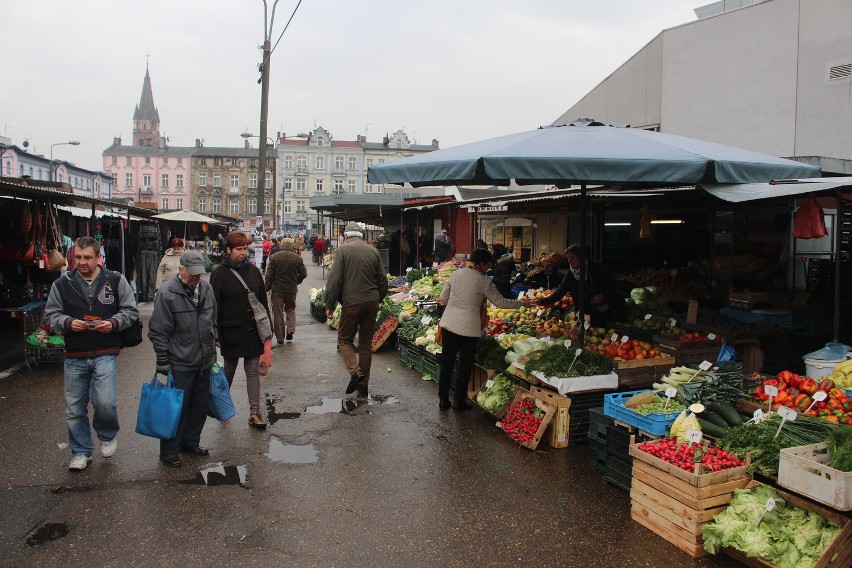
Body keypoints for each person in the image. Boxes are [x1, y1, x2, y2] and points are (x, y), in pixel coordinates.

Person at [43, 236, 140, 471]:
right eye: (78, 257)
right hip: (75, 353)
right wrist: (67, 323)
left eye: (87, 257)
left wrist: (114, 323)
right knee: (75, 407)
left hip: (106, 350)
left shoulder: (115, 280)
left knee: (105, 401)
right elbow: (50, 315)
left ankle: (107, 434)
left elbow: (131, 310)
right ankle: (81, 451)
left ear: (98, 257)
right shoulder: (63, 282)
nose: (82, 262)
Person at [437, 249, 534, 411]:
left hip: (449, 324)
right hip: (469, 329)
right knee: (465, 365)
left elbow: (443, 298)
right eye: (488, 265)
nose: (489, 268)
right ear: (482, 263)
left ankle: (442, 400)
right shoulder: (484, 281)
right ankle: (458, 401)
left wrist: (457, 307)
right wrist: (522, 304)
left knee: (447, 362)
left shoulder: (456, 274)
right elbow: (501, 302)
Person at [148, 251, 217, 468]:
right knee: (176, 408)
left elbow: (212, 320)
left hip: (204, 360)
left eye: (200, 273)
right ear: (181, 269)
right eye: (193, 273)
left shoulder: (207, 288)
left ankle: (190, 443)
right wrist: (162, 359)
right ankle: (169, 451)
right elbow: (158, 330)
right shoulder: (168, 293)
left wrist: (213, 345)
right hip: (180, 361)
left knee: (199, 405)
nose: (197, 277)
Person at [210, 232, 271, 428]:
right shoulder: (219, 273)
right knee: (229, 369)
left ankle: (255, 412)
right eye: (239, 249)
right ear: (228, 250)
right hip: (230, 331)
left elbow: (262, 302)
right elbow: (214, 305)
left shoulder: (254, 271)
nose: (243, 253)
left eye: (245, 248)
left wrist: (267, 328)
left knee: (252, 370)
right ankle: (223, 408)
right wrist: (215, 332)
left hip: (253, 330)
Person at [324, 222, 389, 397]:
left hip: (351, 302)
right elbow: (383, 280)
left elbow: (334, 280)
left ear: (346, 236)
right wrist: (378, 298)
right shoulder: (373, 251)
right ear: (362, 236)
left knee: (344, 340)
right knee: (366, 345)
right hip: (372, 302)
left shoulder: (343, 251)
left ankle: (355, 373)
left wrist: (330, 305)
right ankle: (363, 386)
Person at [537, 244, 625, 327]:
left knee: (601, 331)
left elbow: (613, 286)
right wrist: (538, 302)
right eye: (568, 258)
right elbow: (558, 294)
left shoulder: (597, 268)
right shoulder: (571, 275)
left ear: (582, 258)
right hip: (585, 311)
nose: (569, 261)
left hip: (605, 310)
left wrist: (602, 296)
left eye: (572, 258)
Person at [265, 237, 307, 345]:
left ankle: (280, 337)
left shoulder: (274, 257)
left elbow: (269, 274)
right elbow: (304, 274)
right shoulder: (297, 258)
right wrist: (296, 281)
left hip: (277, 289)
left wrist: (267, 287)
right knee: (290, 310)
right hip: (291, 288)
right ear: (292, 245)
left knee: (278, 313)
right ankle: (290, 330)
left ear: (281, 245)